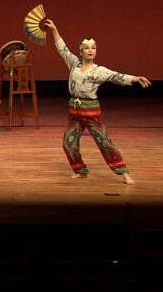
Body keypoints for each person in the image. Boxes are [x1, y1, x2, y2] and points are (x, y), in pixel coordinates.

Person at [42, 19, 151, 185]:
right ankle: (80, 170)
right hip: (74, 110)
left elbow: (117, 76)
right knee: (68, 144)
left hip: (90, 111)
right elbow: (62, 48)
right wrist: (54, 30)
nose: (90, 50)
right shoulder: (74, 64)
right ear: (80, 51)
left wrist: (135, 78)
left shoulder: (99, 71)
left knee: (104, 143)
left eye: (93, 47)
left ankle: (123, 173)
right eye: (87, 48)